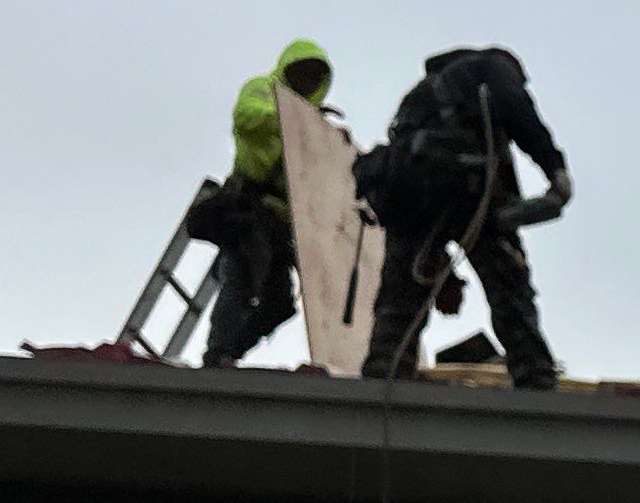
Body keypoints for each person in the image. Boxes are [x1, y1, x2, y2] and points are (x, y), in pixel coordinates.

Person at [358, 44, 571, 385]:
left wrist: (440, 270)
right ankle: (536, 381)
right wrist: (554, 168)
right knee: (508, 289)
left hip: (410, 198)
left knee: (399, 300)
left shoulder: (421, 94)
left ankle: (384, 381)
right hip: (466, 188)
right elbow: (517, 108)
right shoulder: (492, 66)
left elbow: (424, 204)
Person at [199, 38, 332, 367]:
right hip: (248, 206)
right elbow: (246, 116)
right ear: (288, 69)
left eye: (316, 77)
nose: (309, 81)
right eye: (303, 72)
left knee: (280, 303)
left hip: (280, 220)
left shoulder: (311, 125)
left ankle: (232, 351)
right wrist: (291, 118)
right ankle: (217, 354)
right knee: (243, 276)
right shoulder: (262, 89)